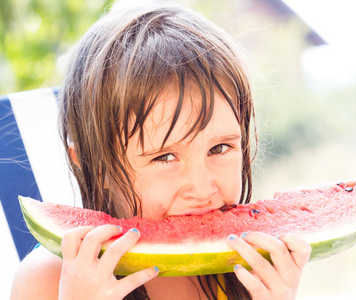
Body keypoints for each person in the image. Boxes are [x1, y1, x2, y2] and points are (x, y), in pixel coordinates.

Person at [11, 3, 311, 300]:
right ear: (95, 166)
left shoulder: (251, 264)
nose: (202, 189)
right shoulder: (50, 278)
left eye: (219, 148)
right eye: (165, 157)